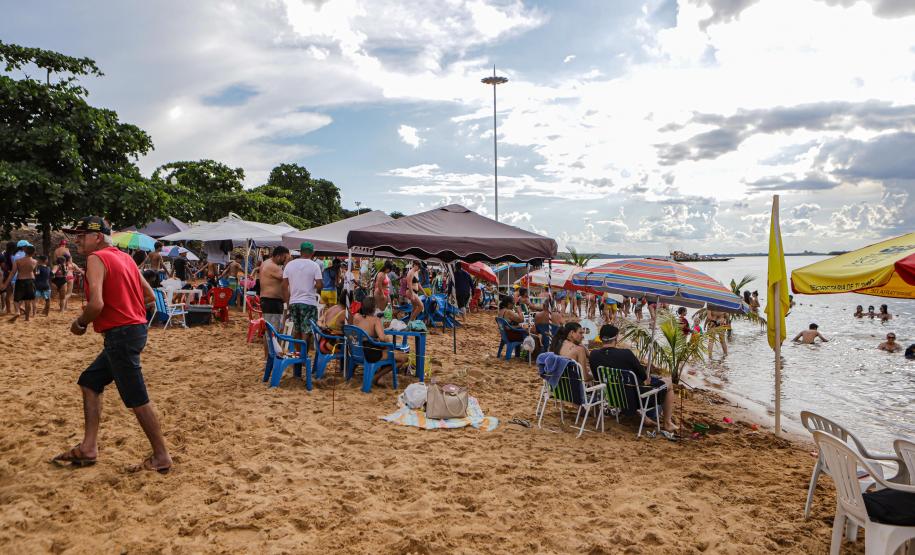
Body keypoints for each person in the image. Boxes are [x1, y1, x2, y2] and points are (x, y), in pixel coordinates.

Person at [52, 216, 171, 473]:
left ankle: (161, 456)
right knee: (90, 381)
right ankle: (88, 447)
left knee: (137, 397)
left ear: (97, 237)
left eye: (82, 235)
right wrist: (127, 306)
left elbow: (96, 305)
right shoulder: (126, 258)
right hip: (135, 331)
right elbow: (149, 296)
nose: (77, 240)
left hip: (121, 335)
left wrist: (80, 323)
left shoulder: (97, 258)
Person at [589, 324, 676, 434]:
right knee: (668, 382)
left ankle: (643, 417)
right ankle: (667, 423)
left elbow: (598, 378)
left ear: (601, 338)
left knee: (633, 385)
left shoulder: (594, 355)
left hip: (612, 397)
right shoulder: (626, 354)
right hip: (634, 400)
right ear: (616, 338)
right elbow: (645, 378)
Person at [352, 297, 408, 387]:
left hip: (356, 352)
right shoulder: (375, 320)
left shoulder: (356, 317)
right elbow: (382, 338)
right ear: (374, 309)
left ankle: (378, 377)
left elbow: (363, 333)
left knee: (385, 349)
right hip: (370, 355)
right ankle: (376, 377)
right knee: (404, 358)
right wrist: (388, 341)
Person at [282, 242, 323, 352]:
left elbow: (284, 286)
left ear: (300, 251)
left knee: (297, 329)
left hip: (294, 302)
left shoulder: (289, 265)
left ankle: (298, 353)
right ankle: (303, 355)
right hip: (309, 302)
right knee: (307, 331)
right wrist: (314, 286)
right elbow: (319, 285)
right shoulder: (315, 265)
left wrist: (288, 302)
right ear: (312, 253)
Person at [259, 246, 288, 335]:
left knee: (269, 328)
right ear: (279, 256)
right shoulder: (273, 266)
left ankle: (269, 346)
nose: (285, 260)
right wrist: (288, 263)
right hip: (272, 301)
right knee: (273, 329)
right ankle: (271, 347)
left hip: (268, 300)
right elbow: (287, 278)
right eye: (285, 257)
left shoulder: (266, 263)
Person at [11, 245, 38, 321]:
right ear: (33, 253)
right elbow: (35, 272)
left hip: (20, 280)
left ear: (25, 252)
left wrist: (6, 283)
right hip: (30, 280)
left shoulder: (18, 261)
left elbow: (13, 272)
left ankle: (17, 311)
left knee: (16, 300)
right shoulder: (35, 262)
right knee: (28, 301)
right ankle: (27, 318)